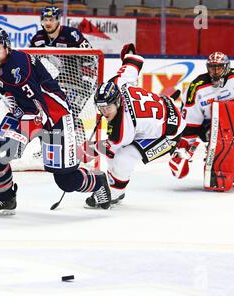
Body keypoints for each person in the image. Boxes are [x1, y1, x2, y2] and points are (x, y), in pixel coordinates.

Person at [0, 27, 112, 214]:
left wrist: (19, 138)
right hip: (23, 113)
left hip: (54, 119)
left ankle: (99, 182)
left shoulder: (19, 68)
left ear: (6, 46)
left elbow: (40, 112)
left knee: (66, 181)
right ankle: (6, 199)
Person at [79, 44, 186, 208]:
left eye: (108, 107)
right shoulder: (118, 82)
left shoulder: (124, 126)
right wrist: (129, 55)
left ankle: (115, 191)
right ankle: (114, 181)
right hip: (160, 110)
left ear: (117, 101)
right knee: (117, 153)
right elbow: (133, 63)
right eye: (100, 107)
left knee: (124, 156)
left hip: (169, 132)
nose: (104, 111)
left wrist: (87, 150)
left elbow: (111, 148)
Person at [169, 51, 234, 187]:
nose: (215, 71)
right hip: (207, 126)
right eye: (212, 67)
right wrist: (184, 149)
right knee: (222, 140)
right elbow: (190, 124)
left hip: (232, 123)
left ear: (227, 67)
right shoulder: (197, 87)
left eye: (219, 67)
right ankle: (215, 168)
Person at [30, 6, 96, 148]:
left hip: (84, 79)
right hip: (65, 77)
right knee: (52, 111)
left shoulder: (71, 34)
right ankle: (51, 146)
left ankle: (78, 147)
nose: (48, 23)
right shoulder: (38, 39)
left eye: (52, 19)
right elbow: (31, 62)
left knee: (70, 113)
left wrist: (88, 81)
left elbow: (91, 57)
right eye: (45, 19)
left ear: (58, 20)